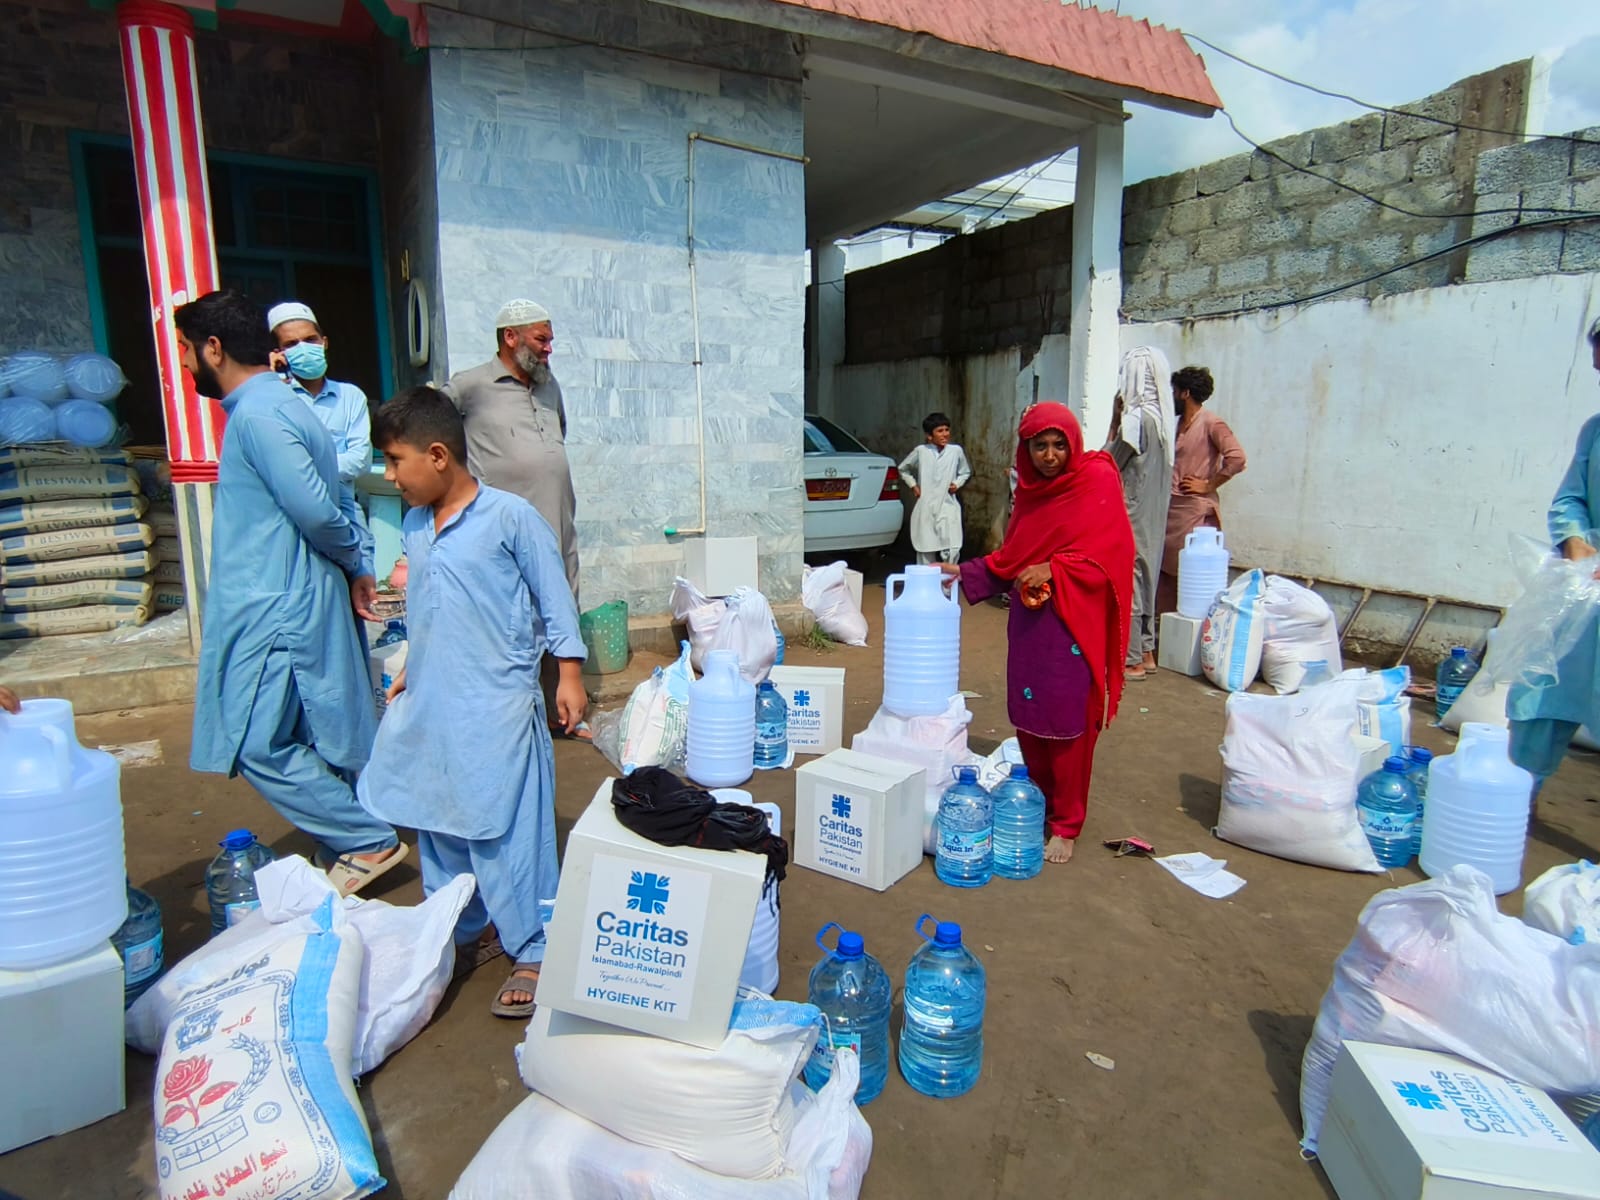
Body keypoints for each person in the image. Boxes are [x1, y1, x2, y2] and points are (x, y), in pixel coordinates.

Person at [357, 386, 587, 1018]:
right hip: (436, 704)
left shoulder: (510, 519)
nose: (389, 475)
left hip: (500, 706)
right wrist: (410, 668)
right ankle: (461, 928)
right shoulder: (414, 525)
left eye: (396, 460)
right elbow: (428, 610)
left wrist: (568, 675)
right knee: (439, 822)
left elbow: (554, 601)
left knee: (510, 833)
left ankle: (536, 946)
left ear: (437, 456)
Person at [177, 289, 406, 896]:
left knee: (254, 740)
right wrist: (353, 559)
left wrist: (355, 556)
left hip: (277, 605)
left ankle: (366, 837)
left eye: (184, 351)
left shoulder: (261, 413)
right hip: (286, 596)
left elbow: (315, 507)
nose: (182, 366)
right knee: (313, 734)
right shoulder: (277, 406)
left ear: (213, 348)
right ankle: (348, 837)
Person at [941, 402, 1135, 864]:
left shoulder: (1096, 480)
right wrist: (963, 570)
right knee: (1030, 715)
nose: (1050, 455)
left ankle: (1067, 824)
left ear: (1073, 443)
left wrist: (1057, 567)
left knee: (1067, 725)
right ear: (1026, 450)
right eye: (1039, 445)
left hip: (1074, 625)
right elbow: (1012, 557)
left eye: (1058, 444)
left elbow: (1114, 553)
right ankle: (1040, 807)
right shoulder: (1030, 494)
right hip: (1031, 624)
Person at [442, 298, 585, 739]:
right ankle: (512, 720)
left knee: (559, 609)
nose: (548, 348)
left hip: (557, 524)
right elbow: (427, 427)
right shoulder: (470, 386)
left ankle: (561, 715)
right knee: (512, 621)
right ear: (511, 336)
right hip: (505, 535)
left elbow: (558, 432)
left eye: (550, 339)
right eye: (542, 338)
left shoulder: (549, 385)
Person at [1508, 317, 1600, 813]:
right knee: (1541, 695)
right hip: (1583, 585)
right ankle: (1510, 805)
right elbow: (1570, 499)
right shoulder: (1596, 430)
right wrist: (1575, 541)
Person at [1107, 347, 1175, 681]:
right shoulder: (1163, 425)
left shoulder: (1134, 422)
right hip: (1154, 519)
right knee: (1147, 580)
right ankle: (1146, 651)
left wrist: (1114, 420)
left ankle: (1131, 658)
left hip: (1131, 517)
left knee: (1129, 581)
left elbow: (1108, 462)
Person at [1157, 365, 1247, 618]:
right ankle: (1165, 636)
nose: (1171, 396)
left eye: (1174, 391)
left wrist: (1209, 484)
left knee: (1190, 577)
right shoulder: (1176, 425)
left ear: (1185, 393)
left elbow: (1237, 458)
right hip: (1172, 512)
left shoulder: (1211, 423)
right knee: (1165, 578)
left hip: (1194, 514)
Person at [266, 301, 373, 497]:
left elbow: (360, 461)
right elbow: (269, 461)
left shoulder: (350, 397)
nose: (304, 348)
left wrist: (301, 468)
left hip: (343, 509)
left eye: (310, 339)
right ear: (278, 353)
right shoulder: (274, 396)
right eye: (291, 344)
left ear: (324, 343)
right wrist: (273, 383)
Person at [899, 412, 972, 565]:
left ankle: (947, 586)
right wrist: (913, 485)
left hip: (948, 506)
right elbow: (903, 469)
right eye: (940, 431)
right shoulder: (921, 451)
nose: (945, 434)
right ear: (929, 436)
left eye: (946, 430)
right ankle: (927, 585)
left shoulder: (955, 451)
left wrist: (957, 484)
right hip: (926, 506)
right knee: (925, 548)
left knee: (952, 549)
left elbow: (965, 472)